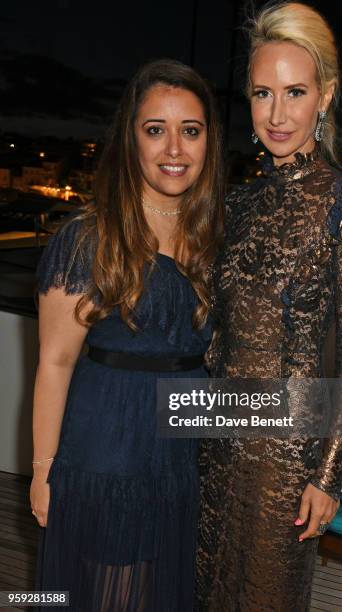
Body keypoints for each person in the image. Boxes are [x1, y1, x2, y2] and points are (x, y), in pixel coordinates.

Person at [196, 2, 342, 610]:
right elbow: (217, 331)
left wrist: (328, 476)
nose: (276, 114)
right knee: (208, 585)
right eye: (261, 93)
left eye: (294, 92)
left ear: (324, 96)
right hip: (219, 431)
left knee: (266, 594)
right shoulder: (238, 203)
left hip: (288, 447)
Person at [30, 58, 223, 612]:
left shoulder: (216, 240)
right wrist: (43, 472)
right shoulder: (86, 240)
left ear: (209, 141)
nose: (174, 150)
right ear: (130, 139)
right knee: (110, 596)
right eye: (155, 130)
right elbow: (55, 364)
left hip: (183, 461)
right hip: (106, 452)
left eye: (191, 131)